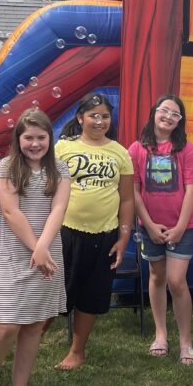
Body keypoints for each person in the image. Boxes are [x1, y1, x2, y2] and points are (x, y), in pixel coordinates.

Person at [0, 109, 71, 386]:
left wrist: (42, 249)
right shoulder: (7, 167)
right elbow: (11, 212)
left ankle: (20, 384)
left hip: (48, 254)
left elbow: (58, 210)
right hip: (16, 255)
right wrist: (34, 248)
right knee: (7, 324)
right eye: (29, 137)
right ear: (19, 138)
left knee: (34, 324)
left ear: (50, 139)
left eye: (41, 137)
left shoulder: (61, 169)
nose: (35, 144)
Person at [52, 92, 134, 370]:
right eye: (93, 115)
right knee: (53, 293)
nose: (99, 121)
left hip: (105, 236)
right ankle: (29, 337)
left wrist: (123, 239)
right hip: (65, 233)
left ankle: (77, 351)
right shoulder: (62, 148)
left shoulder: (120, 153)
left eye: (105, 116)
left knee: (91, 295)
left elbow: (126, 199)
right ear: (80, 118)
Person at [128, 94, 193, 365]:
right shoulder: (137, 149)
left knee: (176, 281)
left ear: (180, 121)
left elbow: (192, 189)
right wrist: (148, 225)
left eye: (176, 114)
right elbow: (134, 190)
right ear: (154, 112)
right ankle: (161, 334)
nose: (169, 117)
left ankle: (186, 341)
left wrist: (180, 226)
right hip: (149, 227)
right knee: (156, 276)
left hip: (182, 227)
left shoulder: (186, 149)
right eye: (165, 111)